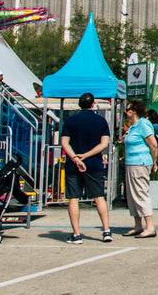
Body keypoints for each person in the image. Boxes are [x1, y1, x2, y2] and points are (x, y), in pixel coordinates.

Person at [60, 92, 112, 244]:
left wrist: (76, 158)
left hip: (73, 164)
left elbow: (64, 142)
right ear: (93, 104)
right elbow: (104, 144)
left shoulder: (70, 120)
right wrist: (86, 156)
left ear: (79, 104)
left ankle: (76, 234)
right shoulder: (101, 121)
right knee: (98, 197)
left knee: (73, 198)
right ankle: (106, 231)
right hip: (94, 164)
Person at [122, 100, 158, 238]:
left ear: (134, 110)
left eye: (128, 109)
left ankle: (150, 226)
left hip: (140, 163)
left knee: (141, 193)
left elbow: (153, 145)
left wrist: (154, 162)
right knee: (132, 195)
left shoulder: (143, 124)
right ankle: (138, 225)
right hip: (131, 163)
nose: (126, 112)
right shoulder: (133, 126)